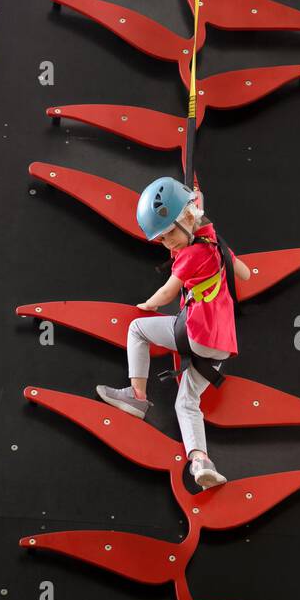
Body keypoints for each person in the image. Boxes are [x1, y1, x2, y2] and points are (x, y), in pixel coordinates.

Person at [97, 177, 250, 489]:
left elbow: (168, 292)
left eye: (169, 234)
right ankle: (201, 462)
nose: (168, 244)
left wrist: (148, 304)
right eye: (162, 239)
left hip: (196, 333)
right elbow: (244, 273)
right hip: (221, 345)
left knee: (137, 329)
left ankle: (137, 396)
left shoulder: (192, 255)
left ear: (187, 219)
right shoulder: (215, 242)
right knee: (187, 402)